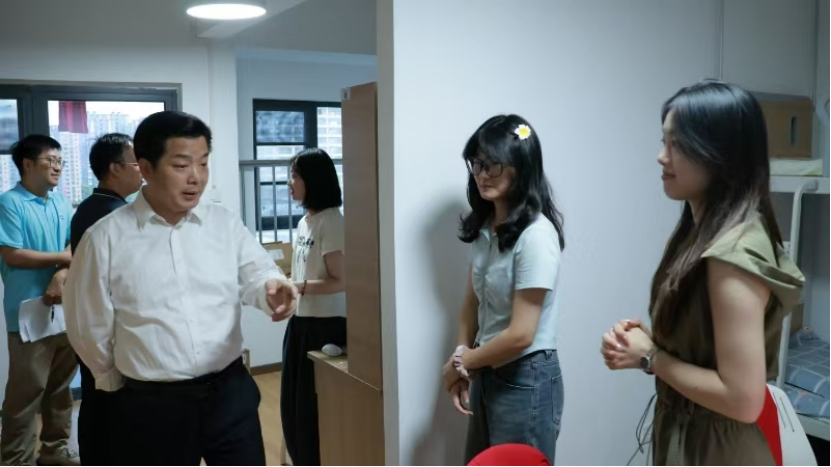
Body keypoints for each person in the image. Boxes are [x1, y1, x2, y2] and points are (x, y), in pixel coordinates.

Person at [63, 111, 298, 467]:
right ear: (146, 167)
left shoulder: (222, 222)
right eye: (181, 165)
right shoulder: (105, 238)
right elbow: (88, 322)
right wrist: (111, 382)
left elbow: (256, 272)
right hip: (153, 404)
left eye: (203, 163)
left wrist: (271, 288)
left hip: (229, 393)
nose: (196, 178)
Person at [600, 81, 805, 466]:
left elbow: (743, 400)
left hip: (719, 450)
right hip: (691, 436)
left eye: (677, 144)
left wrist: (651, 357)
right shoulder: (697, 235)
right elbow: (709, 351)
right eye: (663, 141)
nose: (661, 157)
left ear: (720, 154)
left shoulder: (731, 254)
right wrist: (648, 344)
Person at [442, 115, 566, 465]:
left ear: (521, 167)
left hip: (526, 376)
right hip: (486, 367)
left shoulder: (536, 235)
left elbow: (522, 334)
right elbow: (471, 302)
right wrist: (462, 358)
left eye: (493, 165)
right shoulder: (485, 227)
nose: (482, 174)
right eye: (477, 163)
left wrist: (461, 363)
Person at [0, 135, 80, 467]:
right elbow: (13, 254)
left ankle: (54, 449)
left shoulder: (60, 202)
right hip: (28, 312)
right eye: (51, 160)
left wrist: (61, 273)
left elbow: (73, 246)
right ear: (28, 164)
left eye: (61, 160)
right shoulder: (10, 202)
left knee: (60, 387)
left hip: (64, 307)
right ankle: (15, 459)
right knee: (26, 392)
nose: (58, 166)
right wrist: (62, 259)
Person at [69, 133, 143, 466]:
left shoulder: (89, 207)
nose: (142, 171)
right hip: (111, 330)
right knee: (112, 412)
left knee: (96, 404)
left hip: (95, 329)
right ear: (114, 168)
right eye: (136, 163)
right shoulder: (113, 216)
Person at [281, 148, 346, 467]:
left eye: (295, 175)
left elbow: (341, 280)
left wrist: (299, 286)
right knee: (292, 408)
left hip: (325, 326)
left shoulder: (331, 221)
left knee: (310, 414)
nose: (289, 182)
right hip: (301, 322)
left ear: (313, 180)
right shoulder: (305, 221)